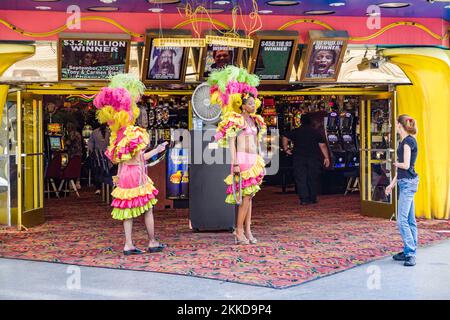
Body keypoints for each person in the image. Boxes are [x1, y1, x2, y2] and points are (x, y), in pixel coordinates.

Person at [94, 73, 167, 255]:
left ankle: (128, 244)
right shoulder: (134, 133)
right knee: (147, 208)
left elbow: (118, 160)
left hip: (124, 174)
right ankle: (152, 241)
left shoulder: (116, 134)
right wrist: (158, 150)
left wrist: (118, 176)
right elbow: (140, 158)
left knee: (127, 210)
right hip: (136, 174)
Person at [211, 66, 267, 245]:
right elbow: (231, 143)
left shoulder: (254, 120)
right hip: (242, 161)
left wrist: (260, 156)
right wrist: (234, 163)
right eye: (249, 103)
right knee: (245, 197)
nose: (253, 105)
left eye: (254, 103)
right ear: (242, 104)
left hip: (254, 160)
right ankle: (239, 230)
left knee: (250, 198)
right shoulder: (236, 120)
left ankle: (248, 230)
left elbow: (257, 141)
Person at [385, 114, 419, 267]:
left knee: (402, 220)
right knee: (410, 220)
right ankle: (409, 250)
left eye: (396, 124)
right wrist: (392, 184)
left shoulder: (407, 142)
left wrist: (394, 163)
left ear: (400, 125)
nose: (395, 126)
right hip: (406, 182)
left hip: (408, 183)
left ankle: (410, 252)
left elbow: (405, 166)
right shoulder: (407, 141)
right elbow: (403, 171)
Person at [282, 113, 330, 205]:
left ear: (300, 121)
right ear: (311, 121)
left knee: (301, 178)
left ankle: (304, 199)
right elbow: (322, 145)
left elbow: (285, 136)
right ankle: (312, 198)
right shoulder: (316, 132)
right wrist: (326, 158)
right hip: (314, 157)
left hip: (299, 157)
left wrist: (286, 149)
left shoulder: (297, 131)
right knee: (313, 177)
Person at [87, 123, 111, 195]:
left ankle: (106, 187)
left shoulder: (110, 131)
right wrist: (91, 151)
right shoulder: (95, 132)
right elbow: (90, 143)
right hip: (99, 155)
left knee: (106, 172)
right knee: (99, 172)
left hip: (107, 155)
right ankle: (98, 187)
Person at [65, 122, 83, 189]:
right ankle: (77, 183)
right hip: (79, 154)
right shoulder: (78, 133)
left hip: (73, 154)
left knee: (71, 168)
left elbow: (69, 142)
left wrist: (63, 141)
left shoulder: (72, 134)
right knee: (77, 169)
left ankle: (71, 183)